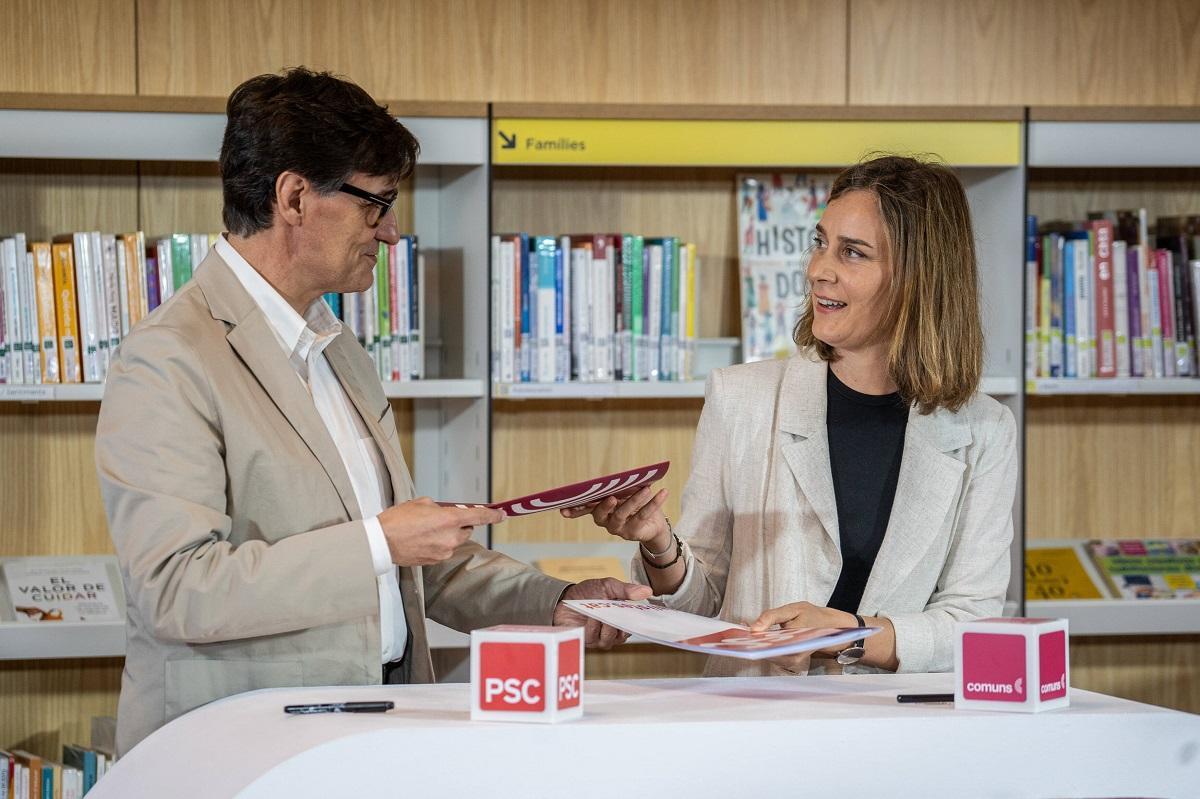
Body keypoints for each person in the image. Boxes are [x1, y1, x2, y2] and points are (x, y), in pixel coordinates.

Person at [96, 67, 646, 755]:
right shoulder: (169, 356)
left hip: (373, 727)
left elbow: (413, 557)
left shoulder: (337, 346)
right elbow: (176, 590)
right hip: (241, 751)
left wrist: (553, 603)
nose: (390, 234)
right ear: (294, 196)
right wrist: (381, 541)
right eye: (375, 205)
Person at [564, 154, 1017, 677]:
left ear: (920, 278)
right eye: (820, 242)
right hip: (758, 722)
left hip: (899, 732)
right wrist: (659, 543)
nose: (818, 270)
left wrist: (848, 636)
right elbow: (703, 601)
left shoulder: (984, 430)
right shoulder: (741, 398)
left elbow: (974, 623)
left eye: (853, 253)